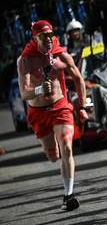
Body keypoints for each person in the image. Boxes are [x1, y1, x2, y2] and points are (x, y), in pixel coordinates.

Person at [17, 20, 88, 210]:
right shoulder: (25, 59)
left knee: (66, 146)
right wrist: (39, 89)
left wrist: (81, 106)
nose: (48, 40)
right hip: (38, 112)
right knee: (53, 156)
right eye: (43, 37)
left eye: (50, 35)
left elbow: (78, 78)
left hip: (60, 107)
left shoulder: (60, 53)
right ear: (35, 38)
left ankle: (69, 194)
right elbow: (23, 93)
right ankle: (52, 151)